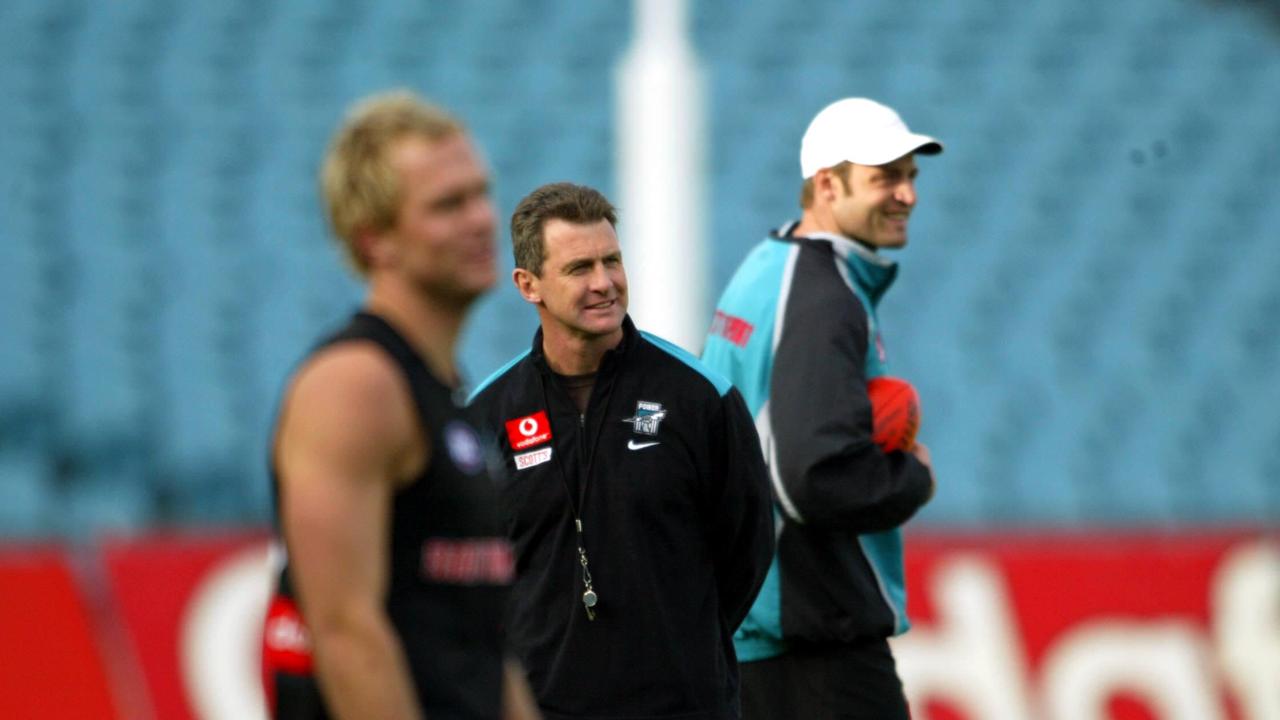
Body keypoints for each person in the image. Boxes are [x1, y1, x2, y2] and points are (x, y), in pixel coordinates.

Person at [260, 90, 539, 720]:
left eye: (480, 193)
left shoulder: (444, 389)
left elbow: (488, 649)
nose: (481, 220)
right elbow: (347, 635)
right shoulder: (354, 385)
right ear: (374, 241)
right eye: (448, 204)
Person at [468, 182, 774, 720]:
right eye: (579, 268)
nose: (604, 283)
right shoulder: (488, 415)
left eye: (612, 260)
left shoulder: (700, 396)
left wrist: (679, 645)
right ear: (528, 284)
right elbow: (475, 575)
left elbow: (747, 549)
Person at [700, 97, 943, 719]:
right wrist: (912, 477)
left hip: (758, 630)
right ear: (828, 186)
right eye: (886, 177)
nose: (907, 194)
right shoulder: (825, 298)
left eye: (911, 176)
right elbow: (811, 477)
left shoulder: (767, 264)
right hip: (813, 640)